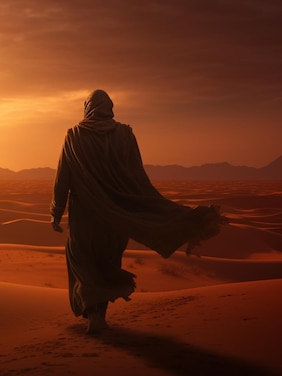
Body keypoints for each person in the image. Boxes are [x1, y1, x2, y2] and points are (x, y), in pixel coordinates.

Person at [50, 89, 225, 334]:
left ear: (87, 107)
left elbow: (63, 177)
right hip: (117, 217)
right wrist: (142, 205)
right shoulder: (125, 134)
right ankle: (98, 316)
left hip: (85, 217)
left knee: (84, 262)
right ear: (109, 107)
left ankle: (95, 317)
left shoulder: (74, 136)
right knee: (107, 263)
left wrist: (56, 212)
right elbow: (136, 177)